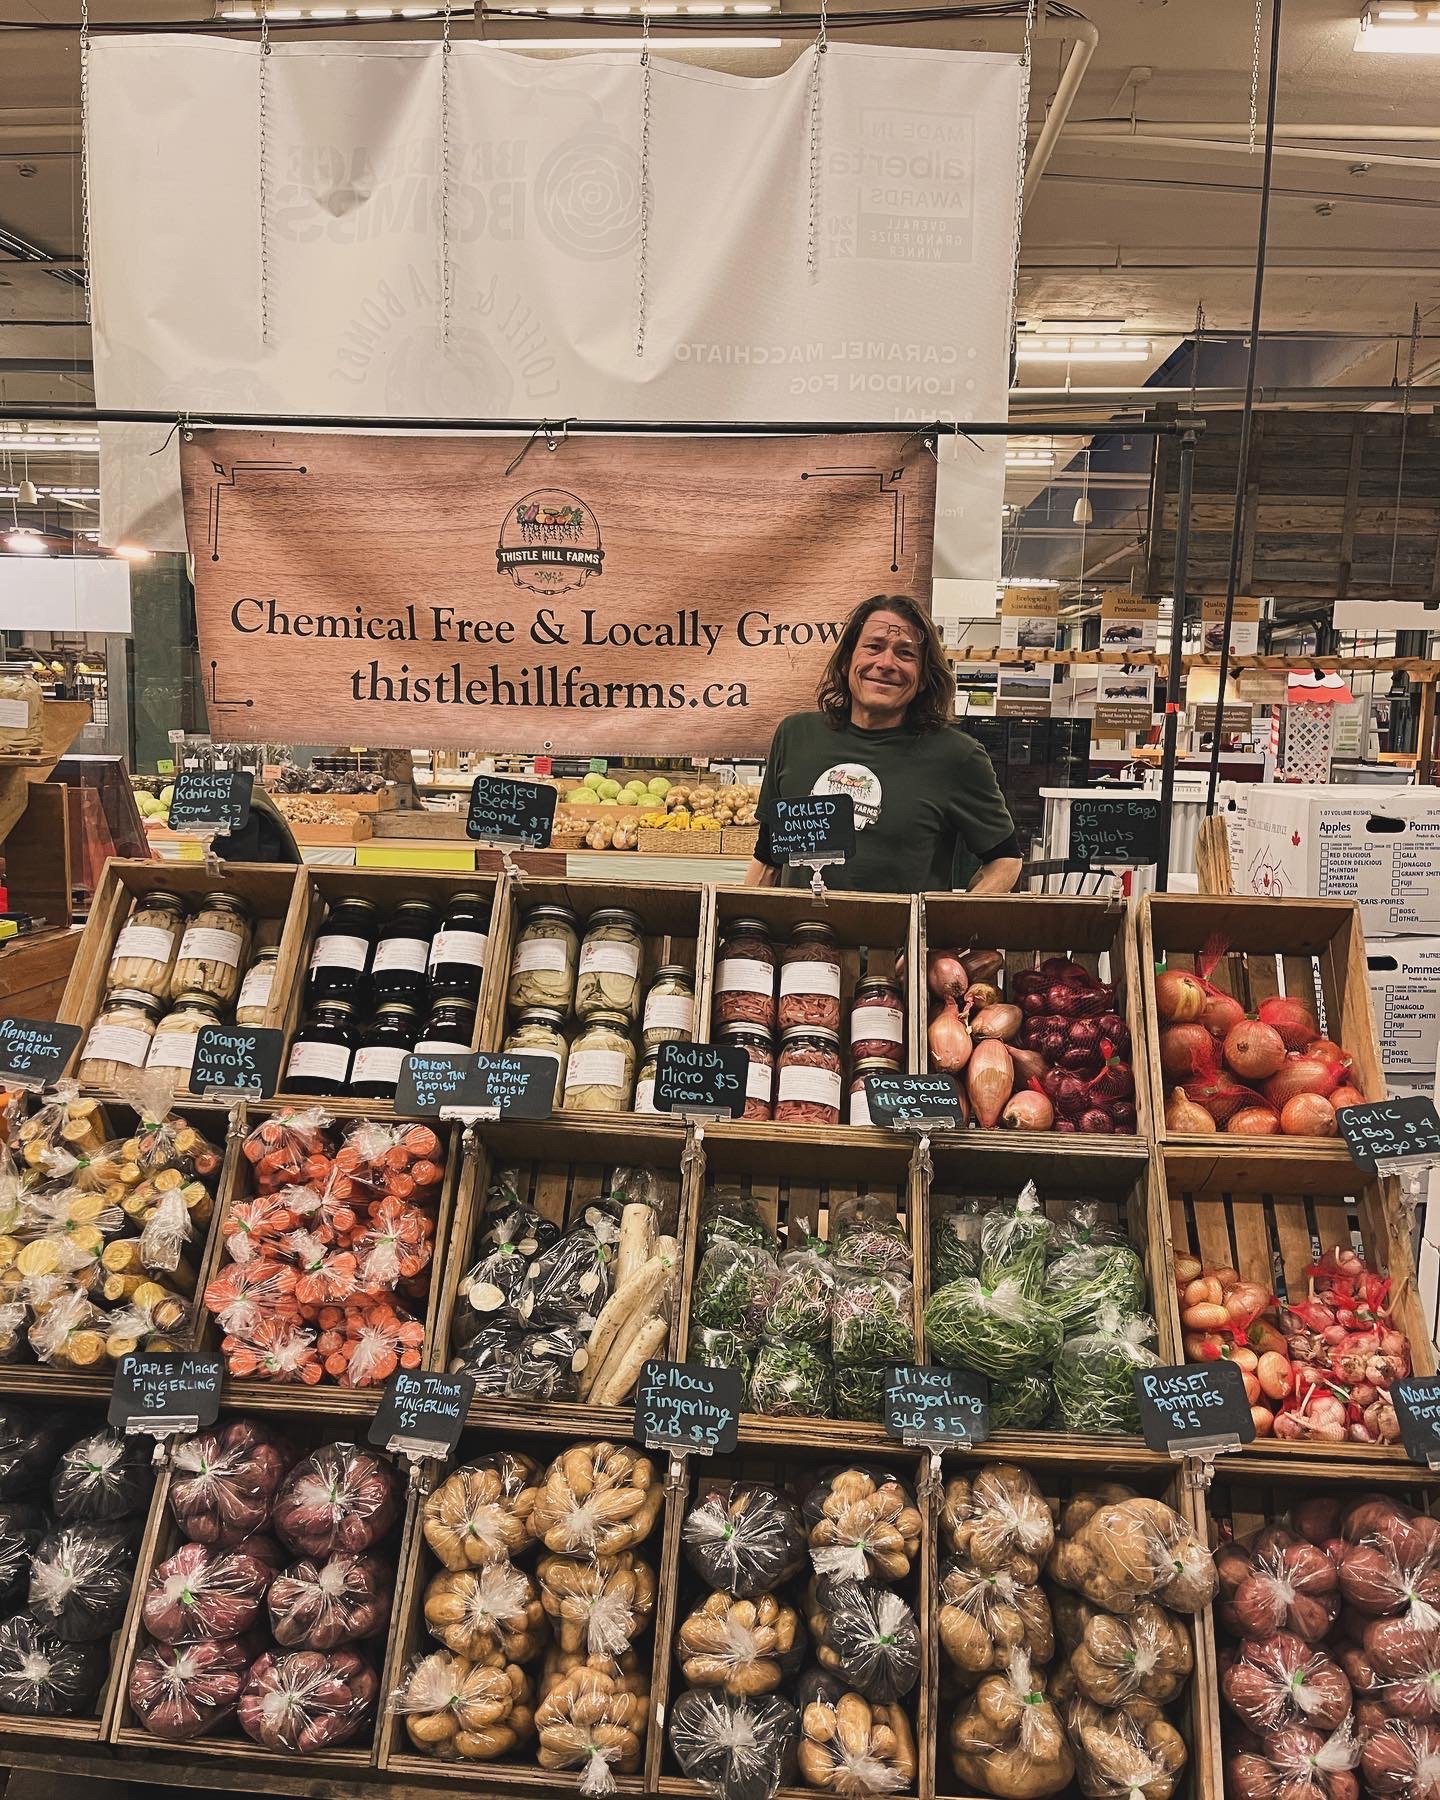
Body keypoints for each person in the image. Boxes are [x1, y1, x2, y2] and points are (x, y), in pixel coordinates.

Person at [746, 594, 1023, 895]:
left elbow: (1005, 859)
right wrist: (740, 927)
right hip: (801, 939)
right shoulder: (796, 735)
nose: (886, 663)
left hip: (898, 942)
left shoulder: (957, 756)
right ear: (848, 658)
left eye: (905, 654)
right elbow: (768, 855)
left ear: (923, 677)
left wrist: (956, 924)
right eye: (873, 647)